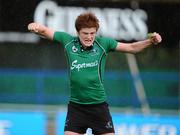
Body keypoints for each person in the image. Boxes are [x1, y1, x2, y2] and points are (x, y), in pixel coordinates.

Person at [28, 12, 162, 135]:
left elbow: (131, 47)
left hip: (99, 108)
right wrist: (34, 26)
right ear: (78, 32)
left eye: (92, 33)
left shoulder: (103, 44)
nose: (89, 37)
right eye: (85, 33)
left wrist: (150, 41)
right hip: (76, 108)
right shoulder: (68, 41)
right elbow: (45, 31)